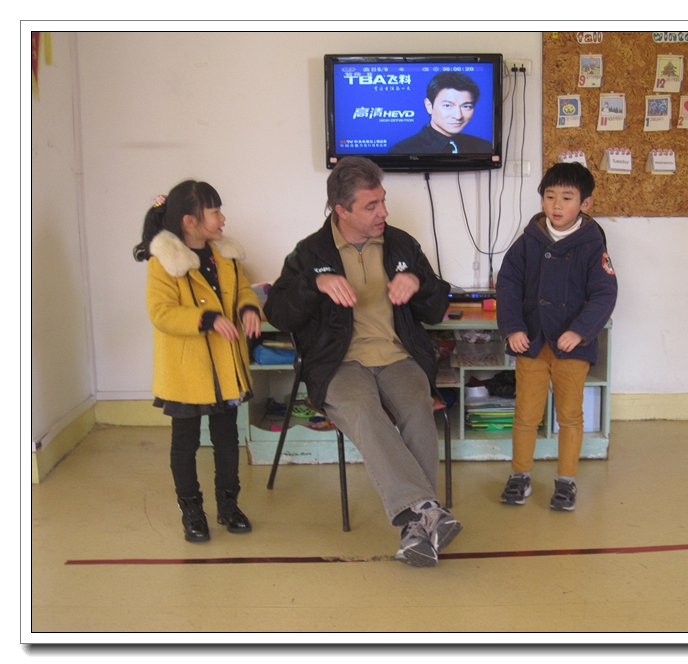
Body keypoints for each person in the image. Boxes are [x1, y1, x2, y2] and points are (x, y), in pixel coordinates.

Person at [264, 157, 461, 568]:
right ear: (342, 210)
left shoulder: (402, 245)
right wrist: (313, 284)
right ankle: (427, 510)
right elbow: (279, 314)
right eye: (372, 206)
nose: (383, 212)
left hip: (398, 356)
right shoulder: (310, 252)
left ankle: (416, 527)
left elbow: (436, 308)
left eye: (383, 201)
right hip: (338, 364)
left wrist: (419, 283)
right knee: (362, 408)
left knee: (417, 407)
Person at [133, 180, 261, 542]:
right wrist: (206, 319)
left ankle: (228, 505)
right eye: (215, 211)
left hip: (226, 369)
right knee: (185, 443)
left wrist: (247, 307)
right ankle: (191, 510)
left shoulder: (225, 257)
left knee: (227, 440)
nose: (223, 218)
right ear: (190, 221)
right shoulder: (163, 263)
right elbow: (161, 313)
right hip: (186, 373)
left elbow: (243, 289)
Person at [495, 162, 617, 511]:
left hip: (571, 349)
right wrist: (513, 328)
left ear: (585, 203)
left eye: (567, 197)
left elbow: (604, 294)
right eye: (550, 196)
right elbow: (507, 285)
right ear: (542, 200)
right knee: (525, 415)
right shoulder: (527, 242)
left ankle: (566, 481)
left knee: (570, 416)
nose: (557, 205)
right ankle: (520, 475)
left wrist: (579, 331)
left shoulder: (592, 245)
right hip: (532, 344)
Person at [389, 71, 493, 154]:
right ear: (429, 106)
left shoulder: (484, 147)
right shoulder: (403, 151)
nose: (458, 116)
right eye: (447, 105)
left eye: (466, 106)